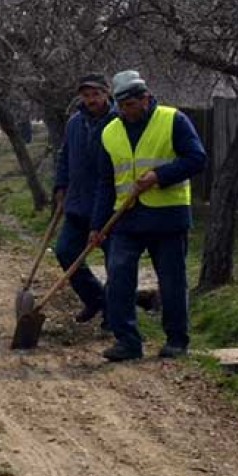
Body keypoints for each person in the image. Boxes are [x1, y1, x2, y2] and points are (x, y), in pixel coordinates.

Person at [90, 70, 207, 362]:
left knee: (171, 281)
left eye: (131, 105)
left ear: (145, 98)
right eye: (122, 106)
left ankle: (177, 341)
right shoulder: (110, 131)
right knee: (118, 275)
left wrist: (159, 175)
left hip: (167, 217)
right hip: (126, 217)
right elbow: (106, 182)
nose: (126, 112)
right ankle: (127, 341)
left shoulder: (172, 120)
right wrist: (97, 225)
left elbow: (197, 159)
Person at [52, 74, 115, 326]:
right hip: (77, 203)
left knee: (115, 263)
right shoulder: (75, 123)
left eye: (96, 94)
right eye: (86, 95)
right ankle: (95, 298)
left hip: (109, 204)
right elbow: (64, 155)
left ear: (106, 93)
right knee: (65, 251)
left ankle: (114, 315)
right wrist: (60, 185)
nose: (91, 100)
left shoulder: (118, 122)